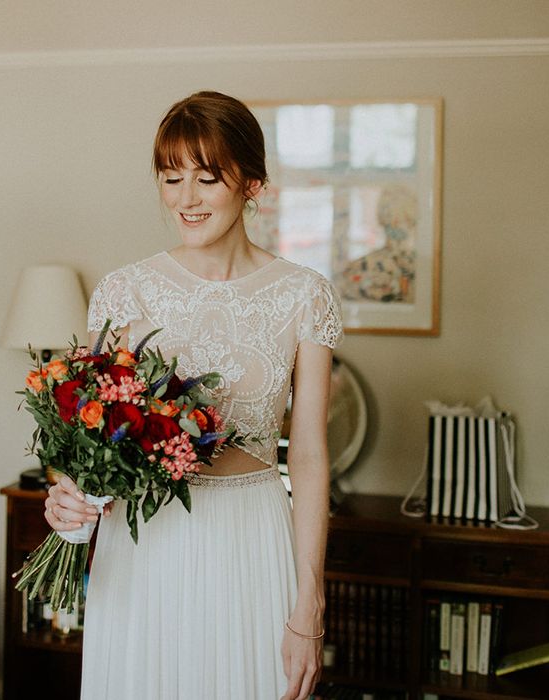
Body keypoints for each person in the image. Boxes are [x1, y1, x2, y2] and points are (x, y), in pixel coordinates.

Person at [44, 91, 343, 700]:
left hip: (253, 538)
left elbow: (309, 455)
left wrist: (309, 603)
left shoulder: (304, 295)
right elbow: (92, 433)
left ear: (251, 184)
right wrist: (67, 497)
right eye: (171, 177)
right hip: (146, 543)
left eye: (207, 178)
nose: (186, 197)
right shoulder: (126, 291)